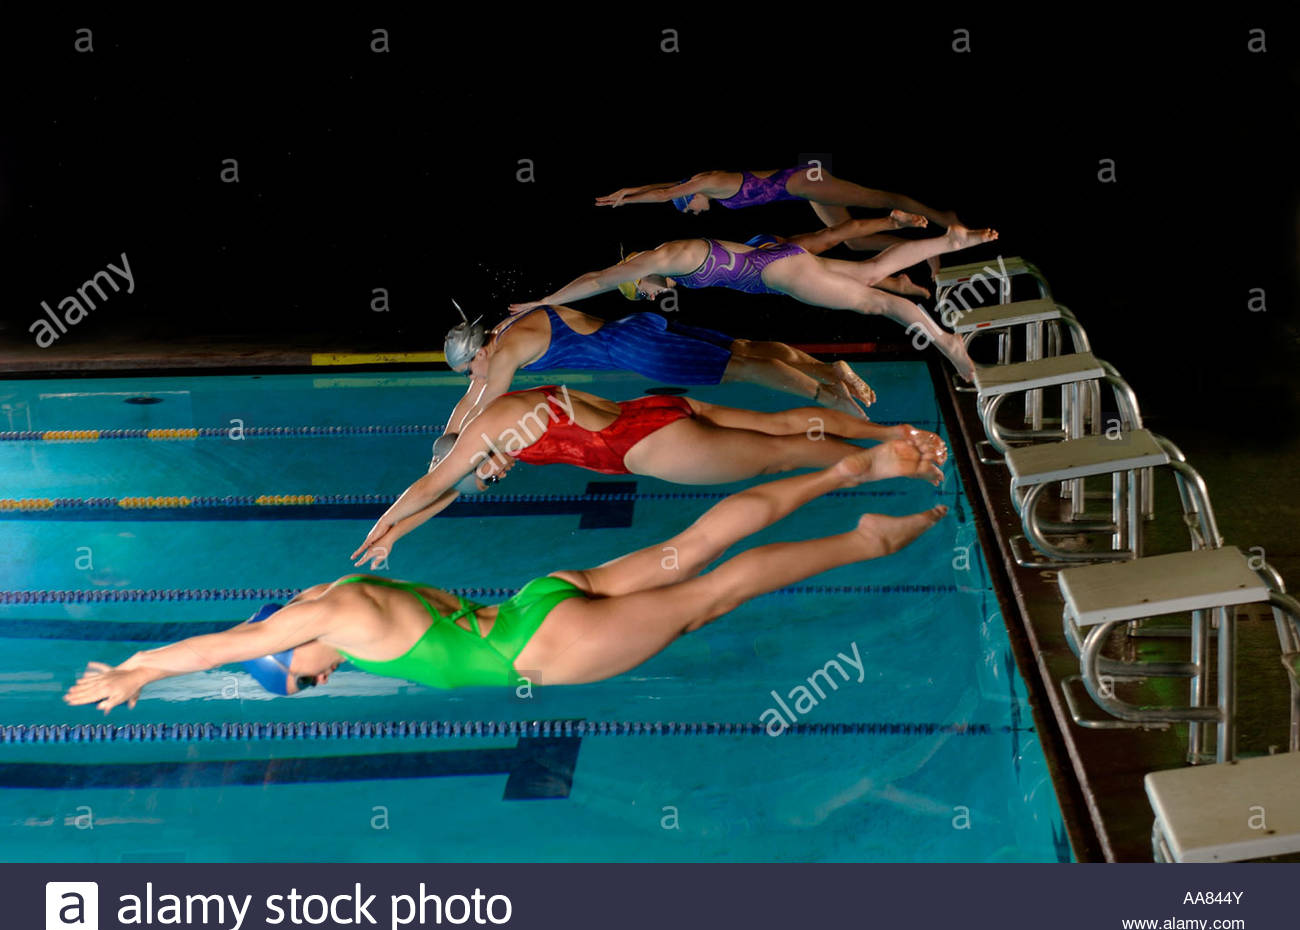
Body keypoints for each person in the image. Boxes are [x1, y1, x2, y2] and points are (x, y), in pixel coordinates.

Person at [63, 450, 949, 709]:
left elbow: (234, 640)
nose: (309, 680)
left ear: (292, 653)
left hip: (544, 642)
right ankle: (845, 473)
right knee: (695, 545)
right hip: (539, 597)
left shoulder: (326, 624)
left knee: (711, 596)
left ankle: (865, 538)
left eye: (292, 680)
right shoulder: (334, 605)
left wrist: (139, 667)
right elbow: (257, 627)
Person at [351, 386, 947, 566]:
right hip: (652, 410)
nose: (494, 472)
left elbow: (432, 485)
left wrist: (379, 523)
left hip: (645, 444)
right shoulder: (488, 434)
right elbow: (450, 491)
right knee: (779, 425)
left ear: (467, 447)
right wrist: (399, 537)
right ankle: (894, 432)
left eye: (484, 466)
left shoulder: (489, 430)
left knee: (783, 453)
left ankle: (895, 455)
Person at [507, 226, 999, 380]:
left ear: (641, 274)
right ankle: (950, 241)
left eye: (646, 290)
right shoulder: (672, 259)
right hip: (779, 263)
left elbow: (597, 278)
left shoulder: (664, 257)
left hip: (780, 272)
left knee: (879, 305)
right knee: (872, 273)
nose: (656, 296)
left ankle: (947, 342)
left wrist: (545, 299)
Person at [442, 296, 877, 429]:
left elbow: (482, 402)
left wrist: (446, 452)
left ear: (479, 352)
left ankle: (827, 394)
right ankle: (829, 368)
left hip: (638, 352)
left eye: (470, 369)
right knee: (745, 346)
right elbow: (473, 393)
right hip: (637, 327)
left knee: (740, 367)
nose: (473, 376)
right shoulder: (505, 328)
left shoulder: (505, 351)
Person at [595, 162, 965, 251]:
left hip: (806, 180)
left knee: (880, 198)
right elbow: (666, 188)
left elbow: (663, 194)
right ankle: (923, 247)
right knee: (851, 242)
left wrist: (628, 201)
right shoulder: (697, 187)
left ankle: (942, 218)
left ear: (689, 196)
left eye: (690, 209)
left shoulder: (708, 182)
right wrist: (630, 189)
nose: (696, 212)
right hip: (803, 191)